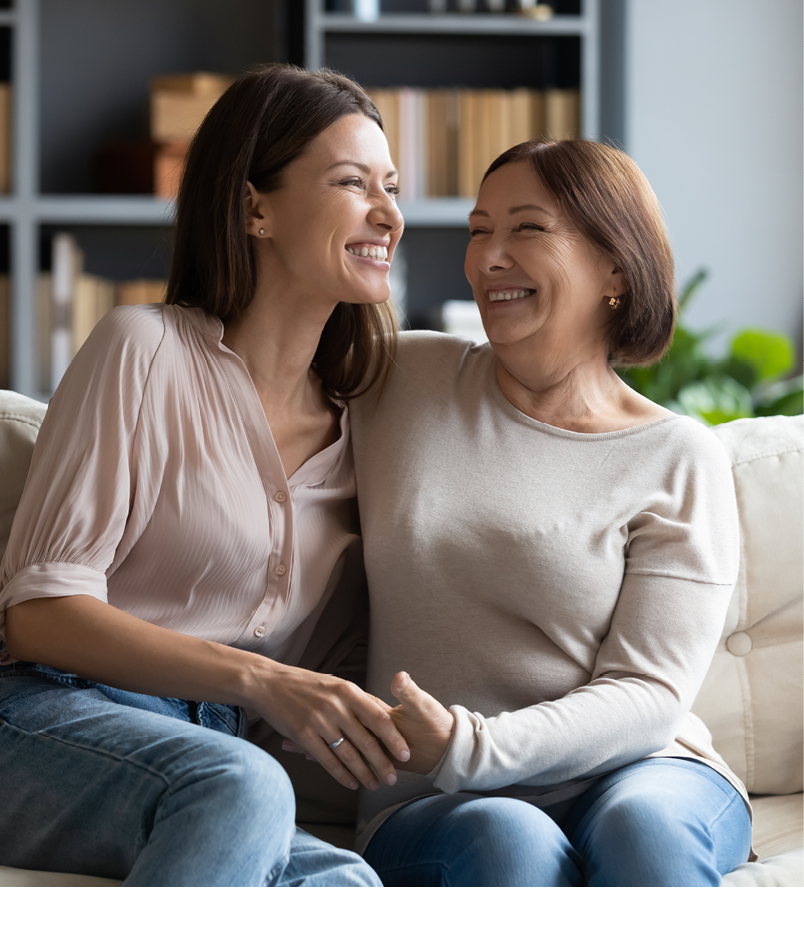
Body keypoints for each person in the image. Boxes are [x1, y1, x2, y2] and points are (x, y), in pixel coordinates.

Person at [0, 64, 409, 886]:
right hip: (46, 712)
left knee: (349, 888)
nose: (389, 214)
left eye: (391, 187)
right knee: (241, 783)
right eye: (351, 182)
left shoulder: (372, 421)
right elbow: (39, 615)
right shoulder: (142, 349)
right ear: (255, 207)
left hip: (207, 749)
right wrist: (266, 681)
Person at [346, 139, 753, 886]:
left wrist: (470, 742)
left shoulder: (676, 456)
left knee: (648, 829)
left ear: (616, 269)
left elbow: (648, 693)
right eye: (478, 230)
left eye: (527, 229)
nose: (488, 258)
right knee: (508, 839)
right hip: (436, 792)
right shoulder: (400, 377)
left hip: (640, 771)